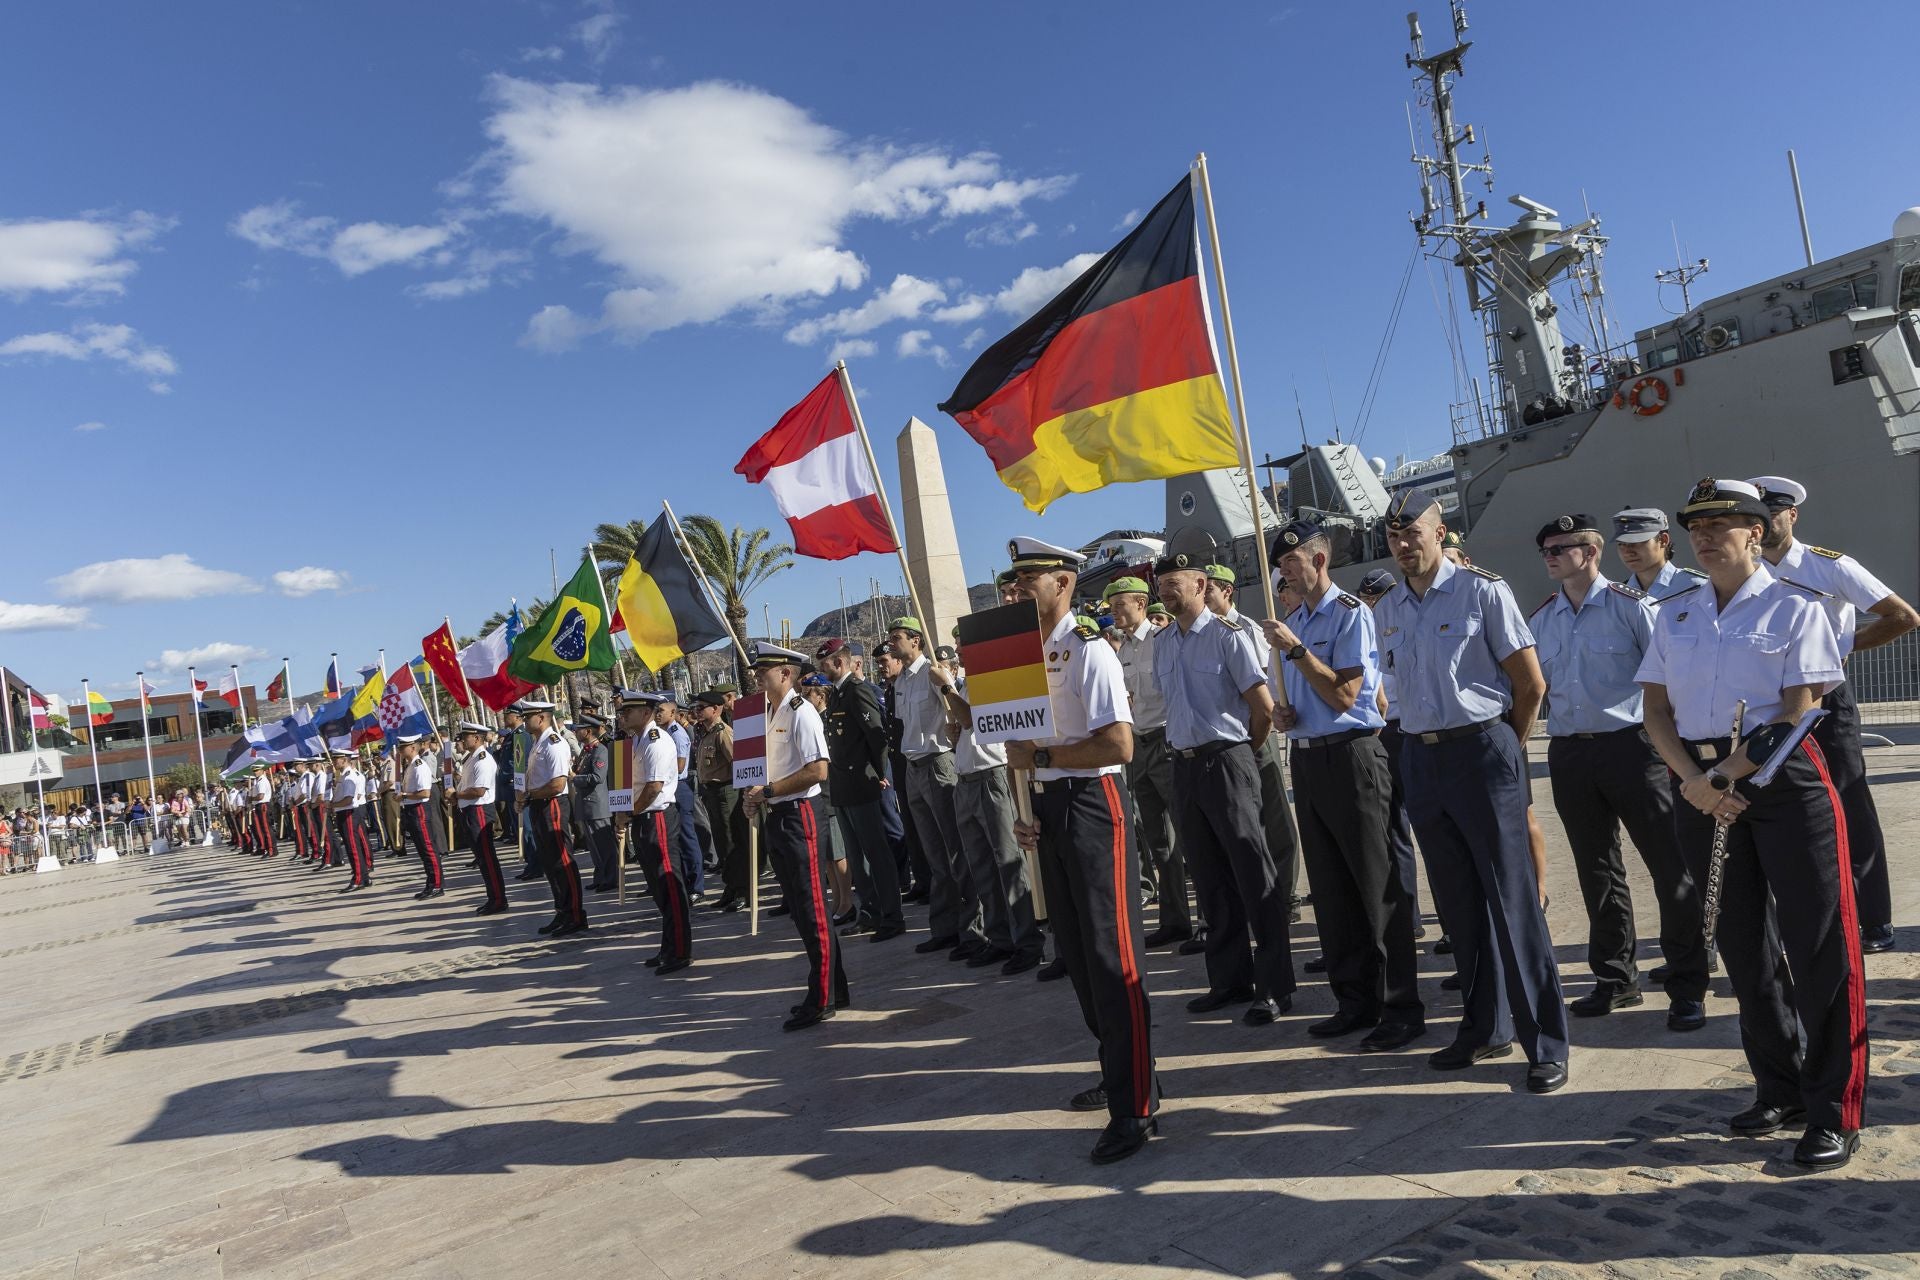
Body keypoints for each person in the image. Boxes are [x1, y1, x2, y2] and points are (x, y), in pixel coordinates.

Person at [1636, 477, 1867, 1170]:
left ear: (1756, 534)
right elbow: (1654, 713)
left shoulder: (1800, 607)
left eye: (1723, 524)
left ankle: (1834, 1110)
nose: (1704, 537)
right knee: (1742, 946)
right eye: (1696, 527)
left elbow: (1797, 712)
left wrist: (1718, 779)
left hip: (1784, 781)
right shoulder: (1674, 613)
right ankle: (1781, 1086)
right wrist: (1693, 783)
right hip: (1701, 787)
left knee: (1819, 945)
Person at [1373, 491, 1569, 1093]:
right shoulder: (1388, 609)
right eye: (1394, 538)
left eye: (1415, 534)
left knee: (1511, 901)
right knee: (1458, 906)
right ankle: (1484, 1027)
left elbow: (1529, 683)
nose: (1406, 546)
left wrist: (1502, 747)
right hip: (1422, 756)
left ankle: (1546, 1041)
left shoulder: (1484, 591)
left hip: (1481, 750)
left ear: (1439, 532)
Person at [1002, 537, 1154, 1164]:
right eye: (1011, 582)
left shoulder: (1087, 649)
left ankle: (1135, 1107)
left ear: (1062, 582)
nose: (1014, 591)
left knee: (1110, 956)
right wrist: (1027, 808)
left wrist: (1043, 759)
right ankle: (1125, 1070)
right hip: (1050, 806)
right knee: (1080, 961)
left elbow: (1119, 745)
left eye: (1026, 580)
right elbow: (1015, 745)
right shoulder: (1019, 657)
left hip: (1094, 805)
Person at [1529, 514, 1707, 1031]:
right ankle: (1614, 978)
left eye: (1561, 547)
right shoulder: (1542, 620)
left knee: (1670, 868)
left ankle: (1687, 981)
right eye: (1546, 550)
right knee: (1596, 868)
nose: (1551, 556)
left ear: (1591, 551)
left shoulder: (1634, 609)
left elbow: (1670, 683)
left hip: (1634, 748)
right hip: (1570, 753)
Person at [1265, 521, 1424, 1051]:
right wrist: (1286, 715)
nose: (1285, 570)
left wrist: (1296, 653)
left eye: (1293, 560)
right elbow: (1311, 701)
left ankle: (1401, 1006)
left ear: (1320, 560)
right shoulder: (1295, 619)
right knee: (1332, 892)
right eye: (1281, 564)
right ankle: (1354, 1000)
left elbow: (1345, 695)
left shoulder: (1351, 615)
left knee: (1376, 888)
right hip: (1309, 759)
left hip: (1354, 757)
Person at [1751, 474, 1920, 955]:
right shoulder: (1746, 574)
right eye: (1756, 518)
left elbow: (1903, 617)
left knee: (1848, 803)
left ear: (1792, 515)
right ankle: (1803, 916)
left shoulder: (1830, 566)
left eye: (1773, 514)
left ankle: (1874, 921)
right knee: (1781, 805)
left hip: (1827, 700)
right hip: (1770, 702)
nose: (1765, 525)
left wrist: (1839, 647)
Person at [1156, 549, 1295, 1027]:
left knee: (1254, 874)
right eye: (1161, 583)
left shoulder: (1227, 636)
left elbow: (1262, 706)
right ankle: (1229, 980)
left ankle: (1275, 986)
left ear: (1199, 585)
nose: (1164, 590)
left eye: (1174, 581)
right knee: (1210, 880)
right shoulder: (1163, 643)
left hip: (1227, 759)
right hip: (1184, 766)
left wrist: (1243, 756)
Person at [742, 643, 848, 1029]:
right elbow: (759, 771)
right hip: (778, 814)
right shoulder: (764, 715)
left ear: (786, 673)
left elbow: (818, 770)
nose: (757, 674)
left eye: (764, 669)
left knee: (812, 906)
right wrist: (753, 796)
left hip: (800, 812)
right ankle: (835, 988)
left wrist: (769, 791)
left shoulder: (802, 713)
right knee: (801, 908)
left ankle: (821, 997)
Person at [930, 640, 1045, 974]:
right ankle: (999, 937)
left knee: (1008, 863)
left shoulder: (991, 684)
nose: (959, 653)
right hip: (966, 779)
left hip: (991, 778)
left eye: (964, 648)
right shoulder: (965, 684)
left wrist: (946, 688)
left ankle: (1027, 940)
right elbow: (964, 729)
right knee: (981, 866)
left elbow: (972, 721)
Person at [1201, 563, 1303, 924]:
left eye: (1209, 588)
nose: (1203, 593)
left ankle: (1287, 896)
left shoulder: (1252, 632)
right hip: (1227, 743)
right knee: (1240, 824)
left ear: (1227, 591)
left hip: (1257, 735)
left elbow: (1270, 686)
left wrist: (1263, 730)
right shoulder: (1199, 634)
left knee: (1275, 819)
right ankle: (1253, 897)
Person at [888, 616, 984, 959]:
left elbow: (956, 711)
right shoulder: (902, 679)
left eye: (897, 638)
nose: (892, 643)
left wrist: (945, 685)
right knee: (933, 853)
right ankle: (945, 928)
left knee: (955, 848)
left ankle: (972, 930)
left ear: (916, 640)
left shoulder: (933, 673)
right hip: (913, 767)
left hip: (938, 763)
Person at [1106, 576, 1187, 949]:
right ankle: (1175, 918)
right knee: (1158, 839)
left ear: (1141, 602)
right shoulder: (1122, 651)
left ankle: (1210, 920)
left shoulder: (1162, 641)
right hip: (1139, 746)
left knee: (1188, 834)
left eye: (1120, 604)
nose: (1113, 611)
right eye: (1112, 605)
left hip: (1167, 742)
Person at [815, 638, 906, 940]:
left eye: (824, 663)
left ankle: (891, 916)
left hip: (861, 784)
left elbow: (877, 737)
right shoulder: (838, 696)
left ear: (838, 663)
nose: (821, 669)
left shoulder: (857, 692)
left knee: (876, 853)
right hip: (841, 787)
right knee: (856, 857)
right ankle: (870, 912)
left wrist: (880, 774)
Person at [628, 691, 693, 974]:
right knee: (658, 888)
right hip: (642, 817)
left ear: (645, 713)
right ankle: (669, 946)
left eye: (628, 710)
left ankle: (680, 951)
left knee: (670, 886)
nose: (622, 715)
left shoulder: (657, 741)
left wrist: (631, 810)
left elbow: (654, 786)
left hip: (657, 817)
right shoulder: (635, 740)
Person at [519, 700, 587, 937]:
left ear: (541, 717)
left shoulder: (554, 744)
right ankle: (562, 910)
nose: (525, 721)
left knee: (562, 860)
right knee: (550, 862)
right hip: (539, 804)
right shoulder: (538, 742)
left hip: (552, 804)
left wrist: (530, 793)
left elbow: (558, 784)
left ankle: (576, 914)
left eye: (528, 717)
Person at [693, 690, 751, 913]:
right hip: (712, 793)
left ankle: (742, 890)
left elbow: (738, 761)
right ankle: (730, 887)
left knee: (732, 842)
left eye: (701, 707)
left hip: (726, 791)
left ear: (715, 709)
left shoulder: (723, 733)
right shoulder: (706, 733)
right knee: (721, 842)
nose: (697, 712)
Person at [453, 723, 507, 915]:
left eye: (465, 736)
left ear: (476, 738)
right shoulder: (471, 758)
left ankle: (498, 899)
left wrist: (456, 795)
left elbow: (478, 790)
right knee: (482, 859)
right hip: (471, 811)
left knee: (487, 858)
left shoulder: (483, 760)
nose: (462, 740)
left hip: (480, 811)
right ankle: (493, 897)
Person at [656, 695, 705, 899]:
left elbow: (680, 765)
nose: (658, 714)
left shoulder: (677, 734)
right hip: (671, 787)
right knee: (675, 838)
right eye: (656, 711)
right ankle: (684, 881)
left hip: (680, 786)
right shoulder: (664, 733)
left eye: (662, 711)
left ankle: (696, 886)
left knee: (687, 837)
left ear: (673, 713)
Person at [1611, 508, 1709, 601]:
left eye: (1637, 541)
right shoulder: (1616, 595)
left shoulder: (1696, 586)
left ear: (1663, 540)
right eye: (1621, 544)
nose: (1628, 552)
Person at [394, 735, 446, 900]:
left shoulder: (419, 766)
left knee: (428, 848)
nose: (401, 750)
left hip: (420, 809)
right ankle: (430, 883)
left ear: (413, 747)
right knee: (422, 851)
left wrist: (404, 795)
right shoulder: (410, 766)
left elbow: (425, 792)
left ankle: (437, 884)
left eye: (404, 747)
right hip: (411, 809)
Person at [571, 715, 619, 893]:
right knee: (593, 846)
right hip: (586, 804)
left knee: (604, 845)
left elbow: (598, 777)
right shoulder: (587, 750)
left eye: (579, 729)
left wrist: (576, 778)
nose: (575, 732)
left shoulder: (600, 751)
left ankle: (611, 878)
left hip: (597, 804)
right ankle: (600, 877)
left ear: (588, 731)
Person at [328, 749, 373, 891]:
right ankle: (364, 878)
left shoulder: (349, 777)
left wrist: (332, 805)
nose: (334, 762)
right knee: (352, 846)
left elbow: (348, 800)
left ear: (344, 759)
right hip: (344, 813)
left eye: (336, 759)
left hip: (348, 814)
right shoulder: (343, 775)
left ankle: (358, 878)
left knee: (353, 847)